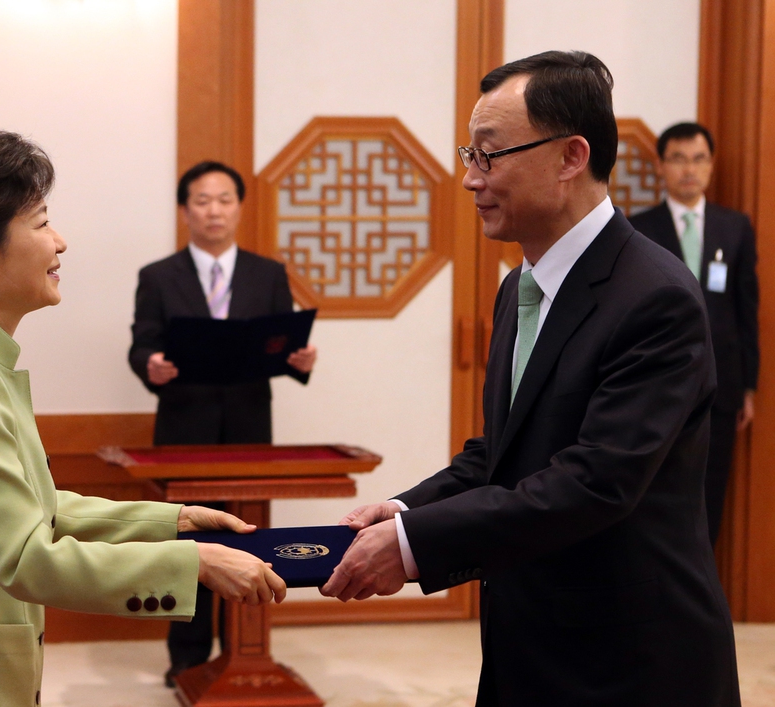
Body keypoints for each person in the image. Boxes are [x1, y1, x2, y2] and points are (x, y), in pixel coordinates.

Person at [321, 51, 739, 706]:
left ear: (572, 156)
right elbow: (505, 452)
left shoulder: (656, 296)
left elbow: (595, 481)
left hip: (629, 662)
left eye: (489, 155)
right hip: (528, 649)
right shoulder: (522, 284)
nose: (469, 179)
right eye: (469, 154)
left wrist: (410, 546)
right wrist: (408, 508)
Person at [0, 126, 286, 707]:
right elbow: (27, 555)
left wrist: (171, 522)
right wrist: (191, 562)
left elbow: (32, 506)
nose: (61, 242)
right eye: (42, 223)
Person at [129, 160, 316, 685]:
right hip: (184, 428)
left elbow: (284, 345)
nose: (214, 210)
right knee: (185, 541)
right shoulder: (158, 276)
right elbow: (142, 344)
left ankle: (245, 649)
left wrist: (298, 361)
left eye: (225, 199)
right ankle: (186, 659)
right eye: (202, 201)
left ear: (239, 207)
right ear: (185, 210)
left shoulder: (268, 273)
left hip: (250, 427)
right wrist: (151, 365)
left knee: (248, 538)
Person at [629, 122, 759, 546]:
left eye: (699, 159)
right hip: (657, 383)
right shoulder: (637, 228)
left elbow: (746, 309)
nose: (690, 169)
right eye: (679, 159)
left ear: (711, 165)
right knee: (654, 492)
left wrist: (749, 387)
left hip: (721, 385)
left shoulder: (734, 226)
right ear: (661, 166)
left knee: (711, 491)